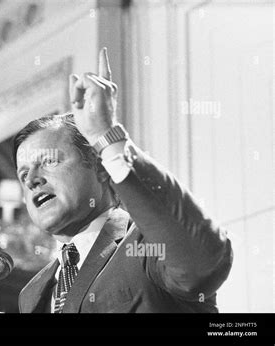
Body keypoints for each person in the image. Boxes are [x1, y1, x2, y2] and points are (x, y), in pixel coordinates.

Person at [14, 48, 232, 313]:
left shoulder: (146, 244)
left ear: (99, 167)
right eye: (23, 174)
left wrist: (108, 137)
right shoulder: (31, 293)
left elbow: (201, 263)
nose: (32, 181)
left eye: (48, 161)